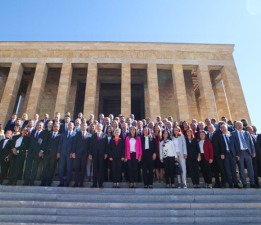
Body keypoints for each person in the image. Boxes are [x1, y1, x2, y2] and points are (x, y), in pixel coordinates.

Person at [230, 121, 258, 188]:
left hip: (247, 152)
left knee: (250, 168)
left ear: (242, 126)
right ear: (235, 126)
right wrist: (235, 154)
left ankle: (252, 182)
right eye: (238, 125)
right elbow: (232, 145)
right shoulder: (233, 134)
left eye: (240, 125)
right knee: (241, 169)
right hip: (240, 153)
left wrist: (253, 152)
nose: (239, 126)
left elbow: (251, 143)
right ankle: (244, 183)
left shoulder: (246, 133)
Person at [23, 121, 47, 186]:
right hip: (30, 152)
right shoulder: (33, 132)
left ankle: (32, 182)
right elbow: (29, 141)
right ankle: (26, 181)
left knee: (35, 168)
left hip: (37, 153)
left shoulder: (44, 134)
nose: (39, 126)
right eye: (38, 125)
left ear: (43, 127)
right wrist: (27, 150)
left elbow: (44, 143)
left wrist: (42, 151)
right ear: (36, 126)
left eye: (40, 125)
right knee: (28, 167)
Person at [219, 124, 241, 189]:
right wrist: (221, 153)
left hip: (232, 154)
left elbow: (236, 145)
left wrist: (237, 154)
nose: (223, 129)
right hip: (225, 155)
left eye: (224, 127)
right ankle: (230, 184)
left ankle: (236, 184)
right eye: (222, 128)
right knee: (227, 170)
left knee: (233, 170)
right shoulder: (220, 136)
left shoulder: (232, 136)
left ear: (227, 128)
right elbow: (219, 147)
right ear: (220, 129)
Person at [72, 122, 92, 187]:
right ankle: (76, 182)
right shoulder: (77, 134)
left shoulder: (89, 135)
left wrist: (89, 154)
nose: (84, 126)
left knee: (83, 168)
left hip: (85, 154)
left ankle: (81, 183)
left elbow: (90, 146)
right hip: (77, 153)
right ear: (81, 127)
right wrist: (73, 152)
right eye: (82, 125)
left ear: (87, 127)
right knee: (77, 168)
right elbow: (74, 144)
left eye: (85, 125)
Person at [57, 122, 76, 187]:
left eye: (71, 125)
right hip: (62, 153)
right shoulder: (63, 134)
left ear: (73, 126)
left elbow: (74, 145)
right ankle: (61, 182)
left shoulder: (75, 134)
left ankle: (68, 181)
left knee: (69, 168)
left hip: (70, 153)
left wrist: (73, 152)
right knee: (61, 167)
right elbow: (60, 143)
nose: (70, 126)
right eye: (69, 125)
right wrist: (58, 152)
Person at [89, 123, 107, 188]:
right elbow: (91, 145)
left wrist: (106, 153)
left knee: (101, 169)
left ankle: (100, 184)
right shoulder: (93, 135)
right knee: (95, 169)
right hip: (94, 154)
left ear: (102, 128)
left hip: (102, 154)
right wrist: (90, 154)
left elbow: (106, 145)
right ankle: (94, 183)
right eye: (98, 126)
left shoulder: (105, 135)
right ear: (96, 128)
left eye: (100, 127)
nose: (99, 127)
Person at [207, 124, 226, 188]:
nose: (210, 128)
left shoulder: (217, 134)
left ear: (214, 128)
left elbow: (221, 144)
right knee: (215, 170)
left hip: (218, 155)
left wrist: (222, 153)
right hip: (211, 156)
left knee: (221, 169)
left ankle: (223, 183)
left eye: (211, 127)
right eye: (209, 127)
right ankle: (217, 183)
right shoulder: (206, 135)